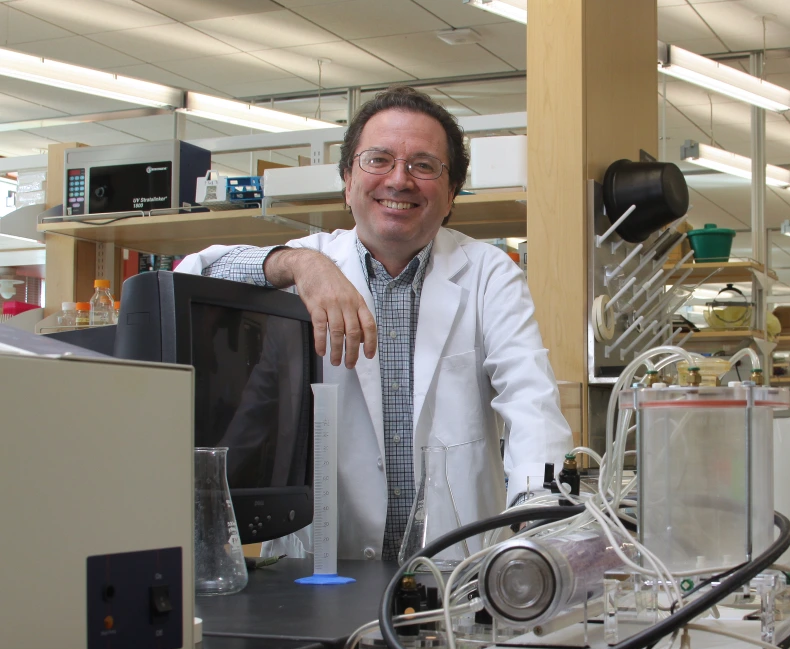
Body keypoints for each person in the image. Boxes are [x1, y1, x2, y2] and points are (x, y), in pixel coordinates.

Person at [176, 86, 572, 561]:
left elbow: (531, 399)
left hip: (452, 565)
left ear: (449, 196)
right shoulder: (308, 265)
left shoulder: (488, 271)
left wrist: (536, 504)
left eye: (424, 166)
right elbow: (190, 275)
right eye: (378, 160)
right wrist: (298, 265)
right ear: (347, 182)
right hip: (321, 565)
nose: (399, 180)